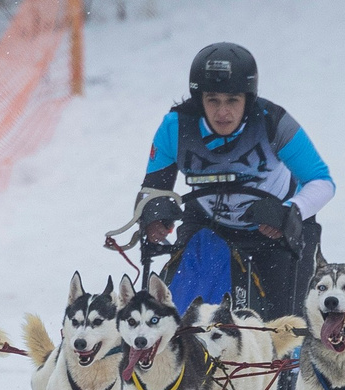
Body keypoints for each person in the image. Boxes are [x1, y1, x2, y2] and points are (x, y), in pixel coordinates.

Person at [134, 42, 334, 320]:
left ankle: (290, 363)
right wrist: (154, 216)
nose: (222, 112)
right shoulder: (174, 127)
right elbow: (153, 190)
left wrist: (291, 211)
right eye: (212, 99)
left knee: (282, 327)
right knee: (176, 313)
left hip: (272, 227)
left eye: (232, 100)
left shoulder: (273, 122)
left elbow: (321, 182)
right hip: (207, 222)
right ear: (198, 98)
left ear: (248, 99)